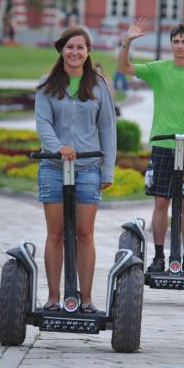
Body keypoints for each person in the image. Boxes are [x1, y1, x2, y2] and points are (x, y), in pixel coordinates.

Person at [117, 19, 184, 274]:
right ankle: (159, 256)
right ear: (171, 44)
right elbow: (124, 67)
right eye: (176, 41)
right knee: (161, 202)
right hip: (163, 143)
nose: (181, 45)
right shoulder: (159, 68)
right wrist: (127, 42)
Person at [35, 26, 117, 313]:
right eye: (70, 47)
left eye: (80, 47)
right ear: (61, 50)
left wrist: (107, 171)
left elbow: (107, 127)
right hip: (54, 167)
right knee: (55, 233)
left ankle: (85, 299)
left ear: (88, 52)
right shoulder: (47, 85)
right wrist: (58, 146)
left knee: (84, 233)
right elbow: (43, 123)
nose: (75, 52)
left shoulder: (98, 85)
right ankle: (54, 298)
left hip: (87, 168)